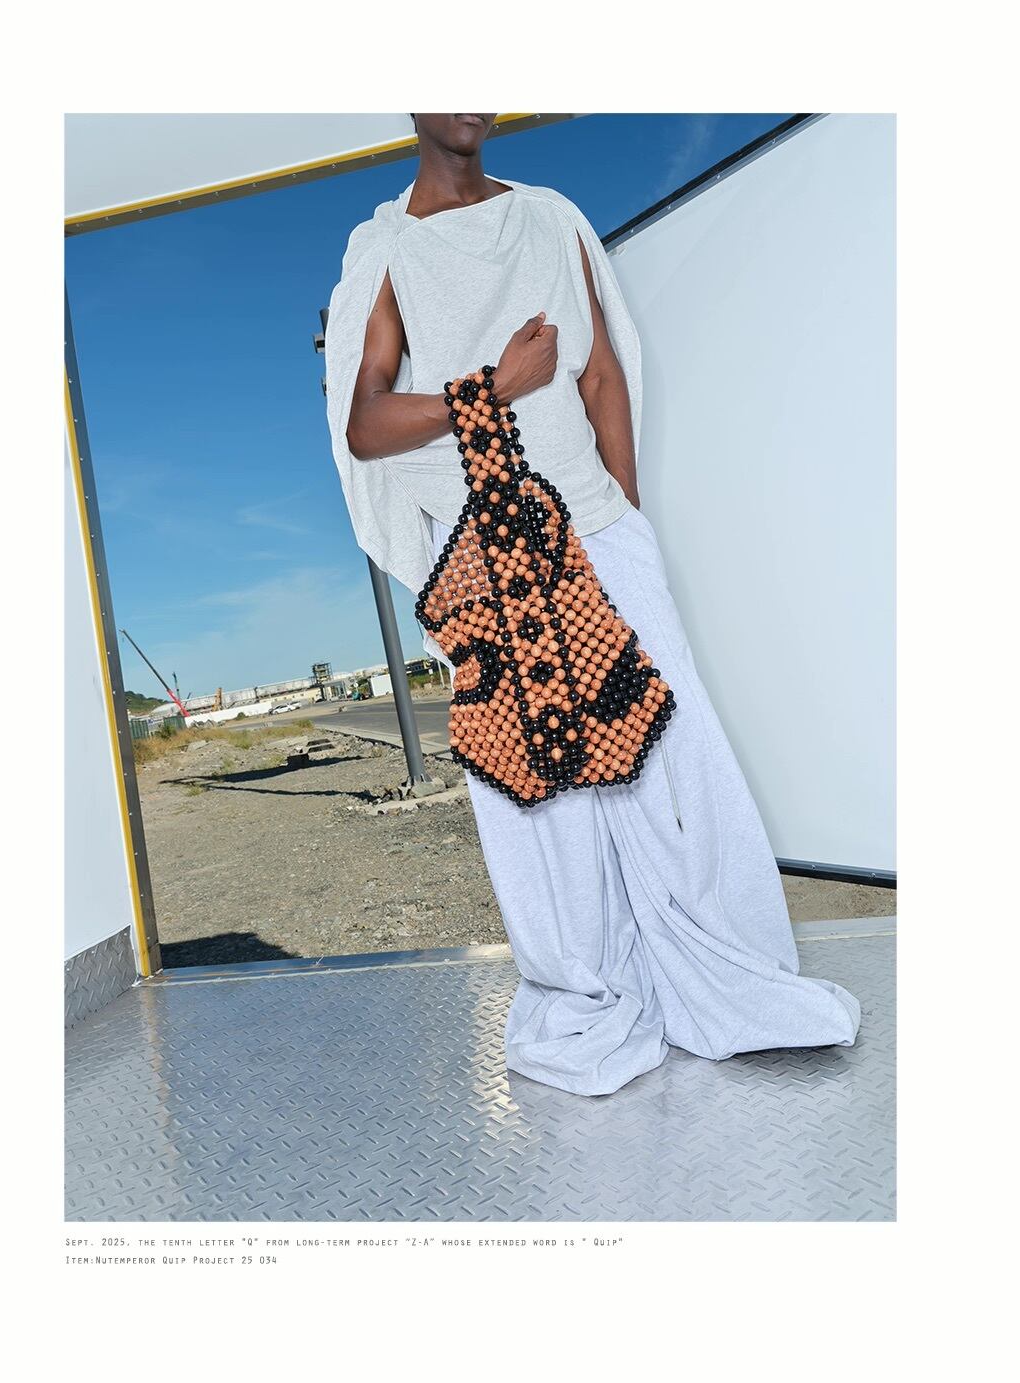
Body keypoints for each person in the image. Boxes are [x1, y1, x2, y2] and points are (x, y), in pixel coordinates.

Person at [324, 113, 860, 1097]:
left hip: (600, 528)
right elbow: (364, 423)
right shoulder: (389, 249)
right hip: (486, 550)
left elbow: (603, 372)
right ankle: (589, 989)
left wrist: (626, 520)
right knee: (538, 792)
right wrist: (496, 388)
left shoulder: (551, 218)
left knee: (678, 758)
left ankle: (728, 975)